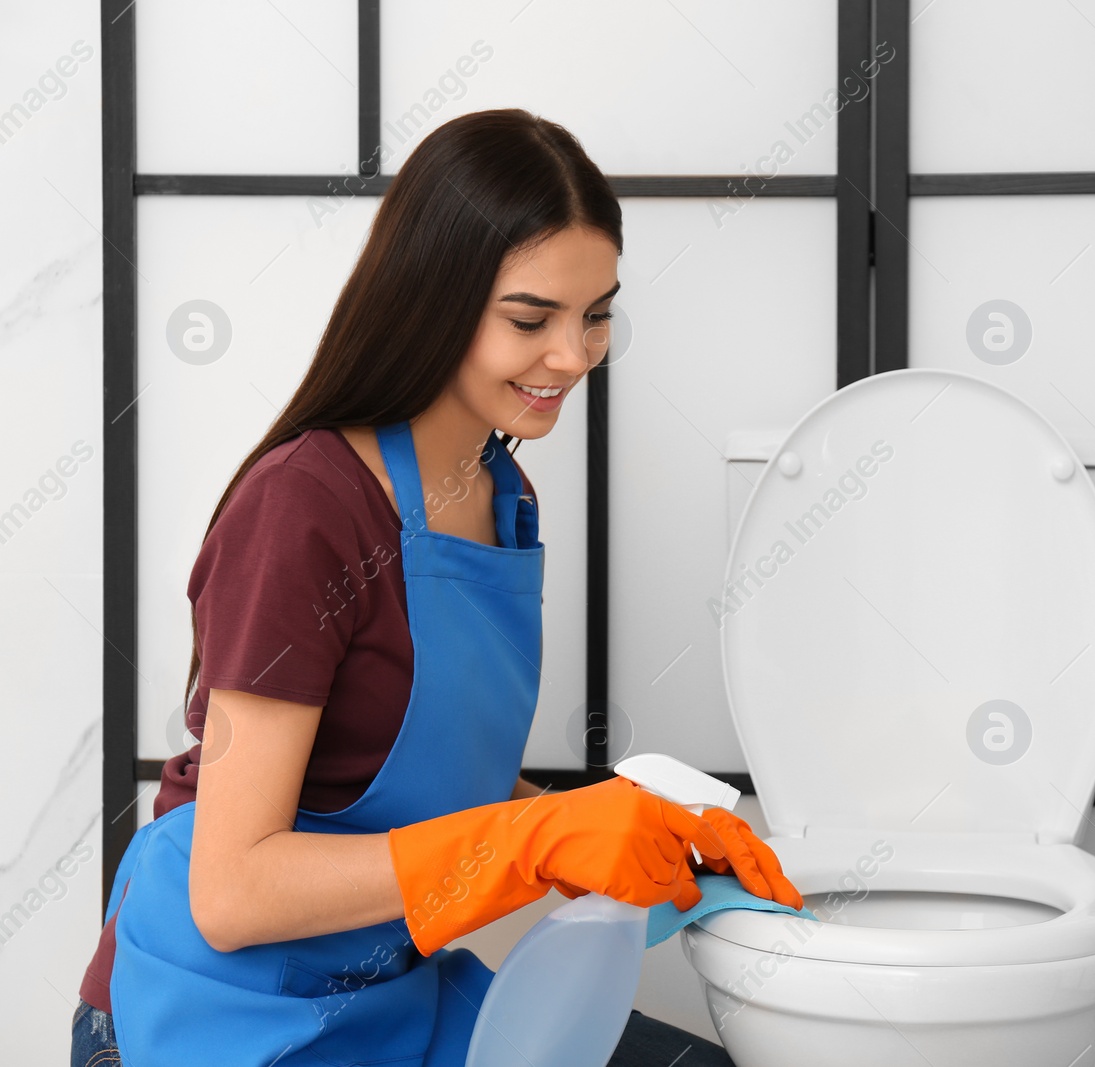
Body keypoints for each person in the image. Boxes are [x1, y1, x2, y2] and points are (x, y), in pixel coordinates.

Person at [72, 108, 802, 1067]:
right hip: (215, 1011)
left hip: (387, 991)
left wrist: (633, 834)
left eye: (596, 315)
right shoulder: (304, 508)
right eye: (531, 319)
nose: (575, 356)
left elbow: (415, 766)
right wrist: (543, 834)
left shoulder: (502, 498)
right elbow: (235, 890)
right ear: (431, 298)